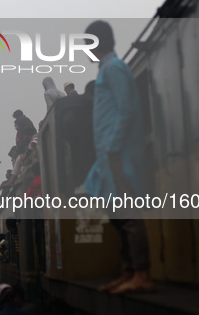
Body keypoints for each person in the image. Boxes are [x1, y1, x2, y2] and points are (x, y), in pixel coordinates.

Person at [83, 20, 153, 294]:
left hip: (118, 153)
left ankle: (142, 273)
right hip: (108, 157)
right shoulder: (105, 71)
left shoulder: (115, 69)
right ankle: (129, 272)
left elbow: (127, 110)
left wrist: (112, 148)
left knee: (130, 215)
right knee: (117, 215)